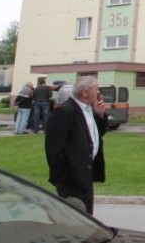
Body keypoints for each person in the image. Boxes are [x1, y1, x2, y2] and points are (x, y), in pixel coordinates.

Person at [44, 75, 109, 214]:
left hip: (85, 174)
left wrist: (100, 116)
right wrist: (64, 178)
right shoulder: (64, 112)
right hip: (70, 180)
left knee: (86, 217)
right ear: (84, 92)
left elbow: (95, 136)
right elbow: (53, 150)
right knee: (72, 220)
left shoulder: (88, 110)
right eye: (96, 89)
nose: (99, 93)